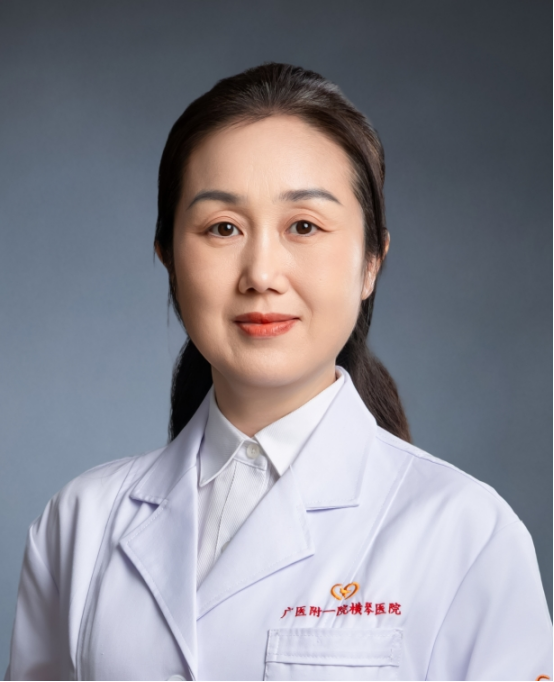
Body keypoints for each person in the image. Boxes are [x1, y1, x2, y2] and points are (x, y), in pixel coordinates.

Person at [5, 63, 552, 682]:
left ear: (371, 261)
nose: (261, 274)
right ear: (168, 258)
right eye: (223, 228)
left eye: (304, 226)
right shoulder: (79, 525)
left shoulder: (467, 532)